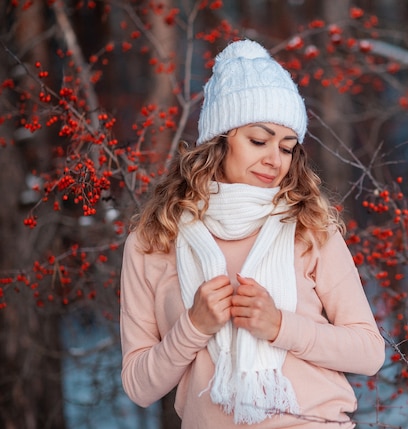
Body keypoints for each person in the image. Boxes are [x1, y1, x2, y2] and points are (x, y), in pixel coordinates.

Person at [120, 39, 385, 428]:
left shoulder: (310, 227)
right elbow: (139, 386)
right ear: (220, 140)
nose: (274, 160)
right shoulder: (154, 242)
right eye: (259, 141)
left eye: (287, 146)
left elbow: (368, 352)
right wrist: (192, 327)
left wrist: (279, 326)